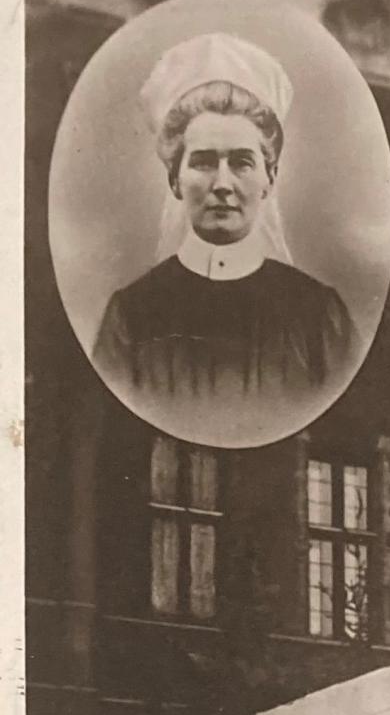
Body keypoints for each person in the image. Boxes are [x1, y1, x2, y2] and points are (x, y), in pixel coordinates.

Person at [93, 32, 358, 439]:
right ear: (175, 180)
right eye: (202, 162)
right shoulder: (131, 316)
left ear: (269, 179)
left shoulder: (318, 316)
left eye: (241, 162)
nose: (222, 183)